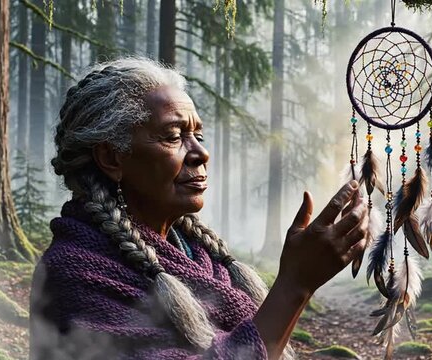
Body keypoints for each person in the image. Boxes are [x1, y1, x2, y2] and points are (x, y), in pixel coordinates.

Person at [29, 58, 370, 360]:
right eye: (173, 136)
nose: (200, 153)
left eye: (198, 135)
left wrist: (300, 284)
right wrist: (295, 284)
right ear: (111, 157)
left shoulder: (199, 256)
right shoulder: (75, 273)